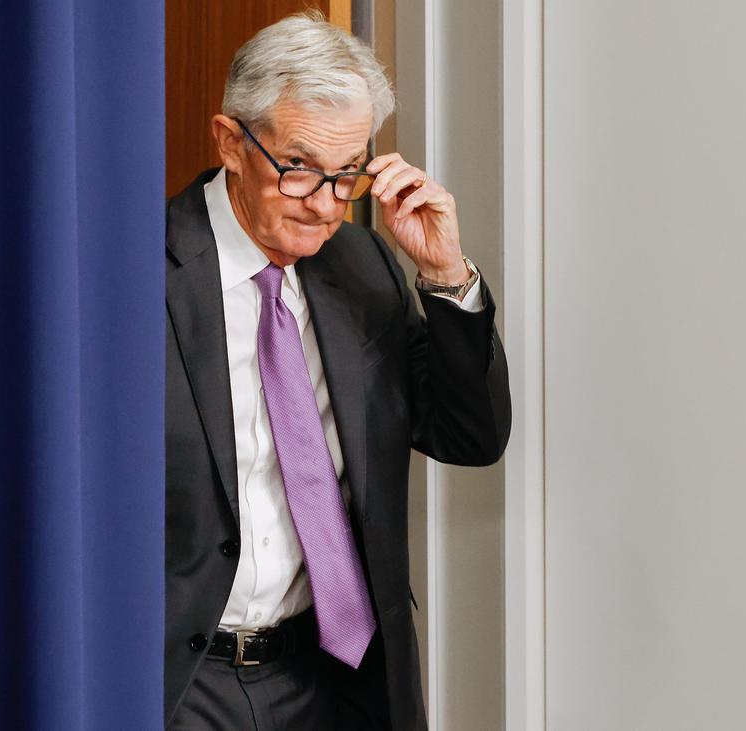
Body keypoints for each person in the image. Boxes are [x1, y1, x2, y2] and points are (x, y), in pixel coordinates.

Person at [164, 11, 511, 730]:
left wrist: (445, 274)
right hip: (179, 681)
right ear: (231, 141)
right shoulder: (134, 273)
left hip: (334, 680)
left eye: (347, 172)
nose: (325, 206)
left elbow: (469, 436)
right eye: (298, 168)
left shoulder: (365, 265)